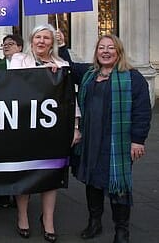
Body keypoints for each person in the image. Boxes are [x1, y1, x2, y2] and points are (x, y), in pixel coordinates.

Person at [59, 34, 151, 243]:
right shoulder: (89, 74)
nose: (106, 51)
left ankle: (122, 230)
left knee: (118, 186)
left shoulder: (132, 78)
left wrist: (138, 140)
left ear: (118, 52)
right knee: (93, 182)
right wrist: (62, 45)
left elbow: (142, 111)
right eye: (102, 48)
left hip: (116, 142)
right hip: (91, 139)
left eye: (111, 48)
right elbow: (69, 68)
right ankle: (95, 222)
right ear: (97, 52)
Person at [9, 24, 80, 242]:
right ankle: (23, 216)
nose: (41, 41)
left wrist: (76, 126)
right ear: (31, 40)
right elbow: (13, 84)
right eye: (38, 37)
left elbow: (71, 97)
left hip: (53, 127)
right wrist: (44, 73)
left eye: (46, 38)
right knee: (25, 170)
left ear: (53, 42)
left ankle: (47, 219)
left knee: (52, 171)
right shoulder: (19, 60)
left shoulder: (62, 64)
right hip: (24, 125)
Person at [0, 34, 24, 209]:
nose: (6, 46)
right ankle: (1, 195)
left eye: (11, 44)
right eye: (4, 44)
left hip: (20, 117)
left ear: (20, 47)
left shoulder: (28, 64)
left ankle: (19, 194)